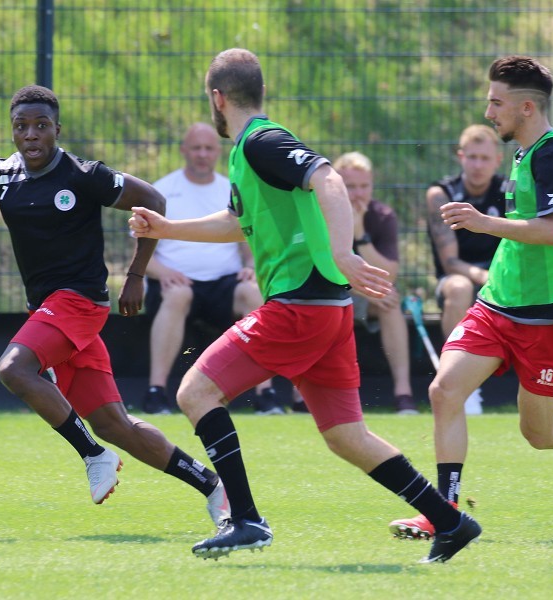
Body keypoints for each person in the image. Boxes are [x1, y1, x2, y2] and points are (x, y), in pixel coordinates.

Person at [130, 48, 480, 564]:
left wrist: (343, 253)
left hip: (301, 305)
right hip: (325, 310)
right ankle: (450, 521)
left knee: (196, 391)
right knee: (347, 436)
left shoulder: (262, 140)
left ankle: (246, 519)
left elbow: (329, 178)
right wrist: (167, 229)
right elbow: (235, 222)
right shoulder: (247, 151)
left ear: (217, 98)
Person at [0, 85, 230, 527]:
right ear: (12, 132)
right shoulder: (0, 176)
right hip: (53, 313)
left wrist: (135, 276)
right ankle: (212, 486)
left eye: (41, 126)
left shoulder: (82, 174)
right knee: (117, 426)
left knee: (14, 369)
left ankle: (93, 456)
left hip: (80, 302)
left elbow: (153, 200)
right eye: (22, 127)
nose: (31, 135)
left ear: (57, 129)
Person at [388, 56, 553, 541]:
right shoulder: (523, 152)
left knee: (539, 435)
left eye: (496, 102)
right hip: (497, 304)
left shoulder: (552, 155)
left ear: (526, 107)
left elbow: (549, 232)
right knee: (444, 391)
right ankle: (446, 514)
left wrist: (482, 222)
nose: (489, 112)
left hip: (547, 316)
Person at [142, 122, 284, 416]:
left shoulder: (231, 189)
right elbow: (143, 254)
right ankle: (155, 393)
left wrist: (249, 266)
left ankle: (267, 395)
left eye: (208, 148)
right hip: (175, 286)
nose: (202, 154)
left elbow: (248, 241)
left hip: (224, 284)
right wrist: (164, 273)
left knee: (252, 292)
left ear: (218, 152)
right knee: (177, 295)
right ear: (184, 151)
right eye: (196, 148)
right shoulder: (162, 190)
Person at [426, 124, 507, 415]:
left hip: (500, 280)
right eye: (471, 157)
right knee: (459, 287)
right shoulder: (441, 194)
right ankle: (459, 384)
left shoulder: (508, 191)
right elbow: (450, 263)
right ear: (460, 157)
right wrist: (483, 277)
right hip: (457, 279)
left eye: (484, 158)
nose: (477, 165)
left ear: (498, 160)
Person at [332, 151, 415, 415]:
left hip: (364, 294)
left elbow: (388, 274)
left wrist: (361, 235)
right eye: (350, 187)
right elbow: (322, 269)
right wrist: (365, 291)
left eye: (364, 186)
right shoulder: (323, 214)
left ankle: (403, 393)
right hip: (331, 291)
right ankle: (300, 398)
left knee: (390, 300)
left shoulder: (382, 216)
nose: (358, 194)